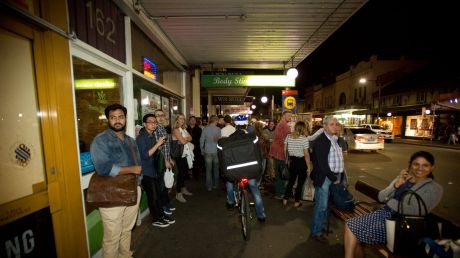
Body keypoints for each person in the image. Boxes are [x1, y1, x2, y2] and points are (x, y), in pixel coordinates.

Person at [344, 151, 443, 258]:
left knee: (355, 234)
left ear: (432, 167)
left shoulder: (434, 188)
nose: (420, 168)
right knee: (349, 224)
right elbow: (381, 197)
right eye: (416, 164)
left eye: (425, 165)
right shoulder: (404, 178)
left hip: (402, 224)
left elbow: (416, 211)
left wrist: (389, 201)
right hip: (384, 213)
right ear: (410, 165)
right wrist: (396, 184)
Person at [90, 104, 142, 258]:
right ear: (108, 120)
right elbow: (103, 168)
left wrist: (139, 183)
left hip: (133, 189)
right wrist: (131, 170)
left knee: (126, 229)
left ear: (125, 119)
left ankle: (125, 255)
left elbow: (138, 164)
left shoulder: (131, 141)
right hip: (111, 194)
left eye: (120, 117)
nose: (117, 120)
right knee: (112, 237)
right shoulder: (101, 140)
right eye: (113, 118)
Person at [136, 114, 175, 227]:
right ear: (144, 124)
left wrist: (166, 158)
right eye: (150, 122)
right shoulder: (141, 138)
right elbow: (145, 155)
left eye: (155, 122)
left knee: (157, 195)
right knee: (153, 196)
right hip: (145, 172)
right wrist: (158, 144)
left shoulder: (152, 136)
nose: (153, 124)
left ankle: (161, 215)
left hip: (153, 170)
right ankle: (156, 219)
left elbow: (155, 153)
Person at [309, 116, 344, 243]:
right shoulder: (321, 141)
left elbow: (340, 156)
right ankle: (316, 231)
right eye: (331, 124)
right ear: (324, 126)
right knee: (321, 206)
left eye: (336, 124)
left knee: (327, 205)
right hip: (325, 178)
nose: (335, 126)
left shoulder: (335, 139)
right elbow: (322, 164)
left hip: (333, 176)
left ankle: (321, 227)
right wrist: (333, 177)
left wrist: (339, 176)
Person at [224, 128, 267, 223]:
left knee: (229, 183)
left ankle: (230, 202)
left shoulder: (229, 143)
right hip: (250, 170)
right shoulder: (250, 140)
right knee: (255, 190)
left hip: (235, 170)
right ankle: (261, 215)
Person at [282, 121, 313, 208]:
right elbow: (306, 154)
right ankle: (296, 202)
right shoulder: (304, 139)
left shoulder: (288, 136)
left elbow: (285, 149)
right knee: (300, 183)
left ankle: (285, 199)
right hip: (302, 162)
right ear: (303, 128)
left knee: (291, 181)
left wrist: (287, 159)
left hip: (292, 162)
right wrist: (309, 167)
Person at [154, 109, 175, 214]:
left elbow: (166, 145)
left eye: (162, 115)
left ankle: (166, 203)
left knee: (165, 183)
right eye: (158, 115)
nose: (160, 117)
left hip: (166, 159)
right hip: (161, 161)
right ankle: (163, 207)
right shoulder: (156, 128)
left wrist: (169, 158)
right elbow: (158, 147)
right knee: (161, 185)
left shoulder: (162, 127)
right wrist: (165, 160)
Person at [269, 110, 293, 199]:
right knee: (281, 173)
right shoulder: (284, 125)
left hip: (277, 152)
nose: (290, 118)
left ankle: (279, 192)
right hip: (280, 152)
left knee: (279, 172)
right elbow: (284, 141)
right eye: (289, 116)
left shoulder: (281, 124)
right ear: (284, 115)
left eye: (291, 116)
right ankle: (280, 193)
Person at [172, 113, 194, 203]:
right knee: (181, 173)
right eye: (180, 118)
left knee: (184, 172)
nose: (182, 120)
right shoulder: (176, 129)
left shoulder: (183, 129)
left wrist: (185, 139)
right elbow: (183, 141)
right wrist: (185, 139)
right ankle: (178, 193)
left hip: (185, 153)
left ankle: (183, 188)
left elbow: (191, 138)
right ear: (177, 120)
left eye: (183, 119)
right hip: (179, 154)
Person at [200, 115, 221, 191]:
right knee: (216, 169)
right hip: (215, 150)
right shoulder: (218, 129)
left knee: (208, 170)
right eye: (217, 120)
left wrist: (202, 149)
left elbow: (202, 140)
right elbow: (219, 140)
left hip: (207, 151)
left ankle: (209, 186)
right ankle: (216, 184)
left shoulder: (205, 129)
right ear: (215, 120)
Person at [187, 116, 203, 180]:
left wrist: (191, 140)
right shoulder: (186, 129)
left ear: (196, 121)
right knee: (188, 161)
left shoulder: (199, 129)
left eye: (194, 120)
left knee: (196, 162)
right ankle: (188, 175)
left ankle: (196, 176)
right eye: (191, 120)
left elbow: (199, 139)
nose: (193, 121)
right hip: (188, 148)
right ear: (189, 121)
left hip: (196, 148)